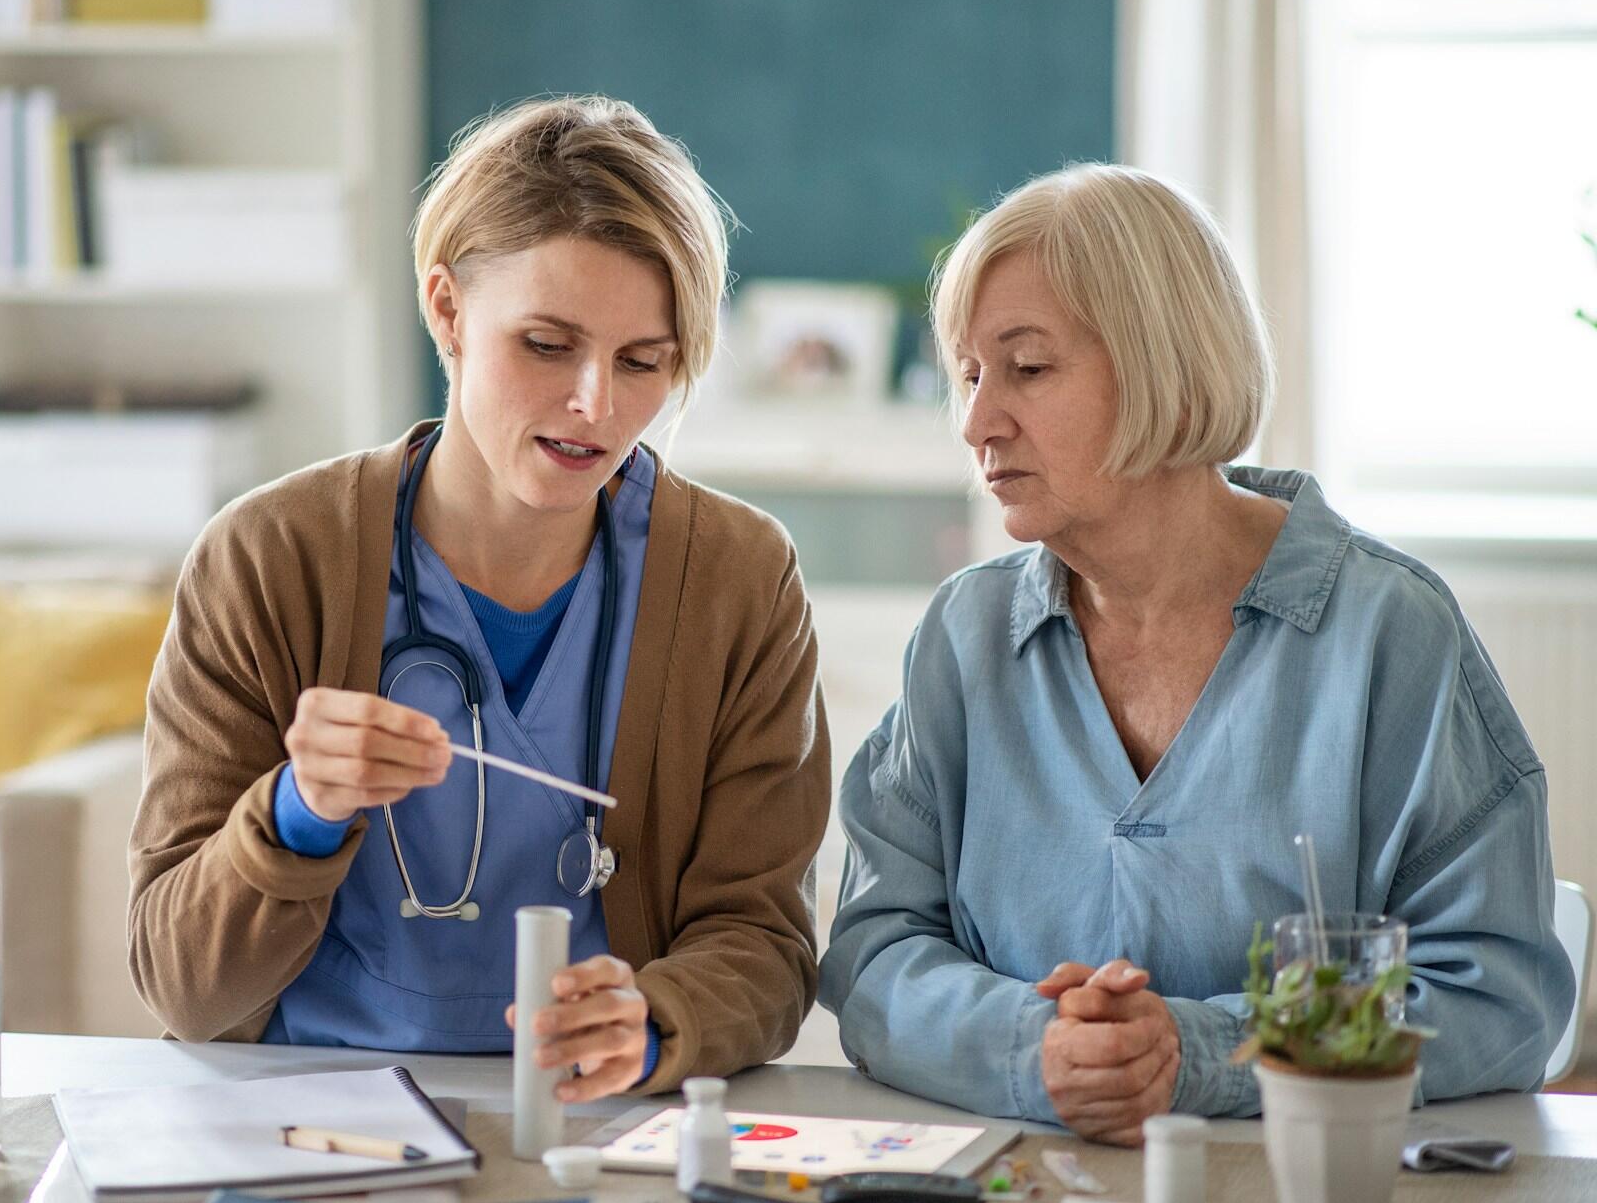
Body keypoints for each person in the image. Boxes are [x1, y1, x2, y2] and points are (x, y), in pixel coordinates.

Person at [819, 163, 1574, 1144]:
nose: (976, 420)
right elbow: (873, 952)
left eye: (1028, 368)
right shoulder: (963, 639)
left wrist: (1204, 1049)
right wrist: (1037, 1045)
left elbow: (1500, 997)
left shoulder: (1392, 634)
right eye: (968, 373)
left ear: (1160, 361)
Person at [128, 96, 831, 1100]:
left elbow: (764, 945)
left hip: (594, 1119)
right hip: (305, 1115)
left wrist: (656, 1020)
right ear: (447, 309)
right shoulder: (268, 558)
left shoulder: (738, 578)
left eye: (645, 361)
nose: (596, 403)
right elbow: (181, 984)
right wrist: (299, 809)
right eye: (547, 343)